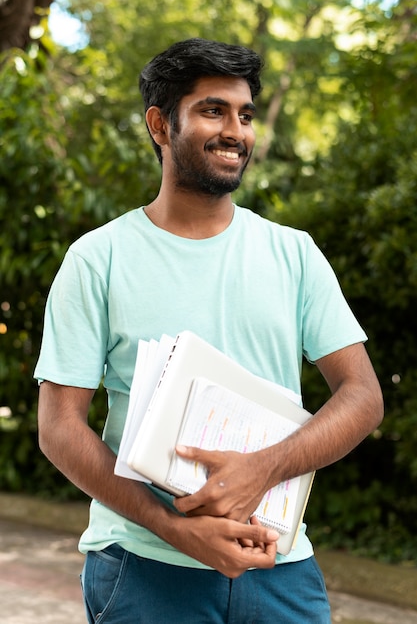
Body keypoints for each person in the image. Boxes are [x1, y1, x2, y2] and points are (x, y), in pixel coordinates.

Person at [35, 38, 384, 624]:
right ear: (160, 126)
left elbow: (363, 396)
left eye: (245, 115)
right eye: (212, 110)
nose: (236, 130)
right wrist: (174, 529)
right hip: (144, 569)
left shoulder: (293, 254)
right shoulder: (98, 259)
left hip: (279, 566)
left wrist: (264, 468)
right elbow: (58, 427)